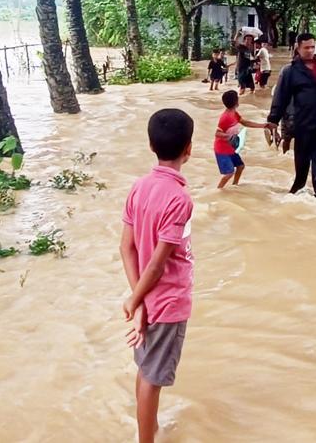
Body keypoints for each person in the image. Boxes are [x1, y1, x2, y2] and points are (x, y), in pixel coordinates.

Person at [120, 108, 195, 443]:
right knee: (152, 378)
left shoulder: (139, 187)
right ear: (189, 148)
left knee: (144, 369)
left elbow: (127, 248)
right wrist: (137, 302)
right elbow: (159, 264)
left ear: (151, 146)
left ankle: (145, 431)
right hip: (167, 300)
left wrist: (139, 302)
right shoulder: (179, 199)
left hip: (148, 298)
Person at [266, 33, 316, 196]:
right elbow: (281, 97)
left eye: (312, 47)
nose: (310, 50)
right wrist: (273, 120)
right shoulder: (290, 72)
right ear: (298, 48)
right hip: (303, 125)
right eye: (306, 47)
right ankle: (295, 195)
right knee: (301, 169)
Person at [214, 90, 268, 189]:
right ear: (236, 102)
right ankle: (218, 190)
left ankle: (235, 186)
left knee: (240, 166)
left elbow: (245, 123)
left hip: (230, 148)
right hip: (221, 150)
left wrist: (263, 125)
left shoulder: (234, 114)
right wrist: (229, 137)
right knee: (229, 173)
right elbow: (217, 133)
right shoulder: (225, 117)